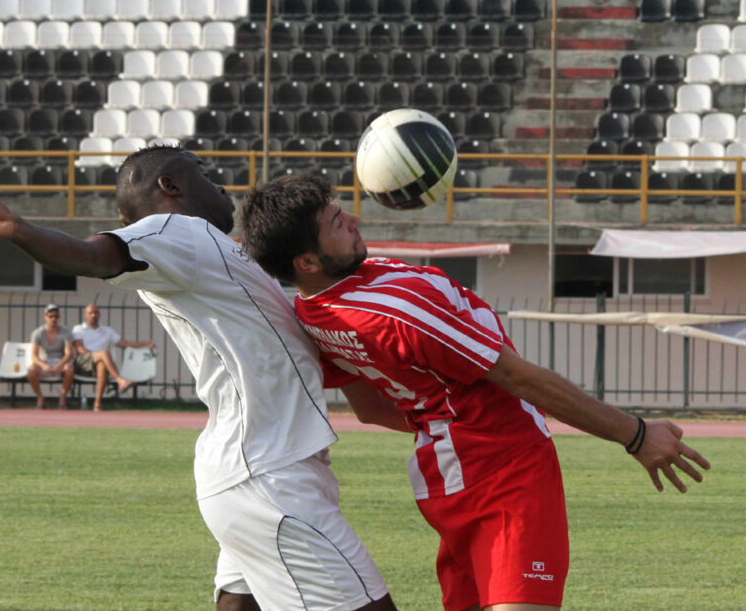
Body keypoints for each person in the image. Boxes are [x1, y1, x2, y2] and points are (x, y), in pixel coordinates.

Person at [0, 145, 396, 611]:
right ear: (170, 187)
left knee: (240, 605)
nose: (220, 186)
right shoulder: (176, 231)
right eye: (205, 174)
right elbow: (96, 256)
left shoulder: (211, 252)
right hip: (268, 476)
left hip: (254, 472)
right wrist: (20, 230)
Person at [240, 173, 712, 611]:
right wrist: (635, 434)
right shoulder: (396, 309)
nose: (355, 221)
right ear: (307, 261)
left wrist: (441, 419)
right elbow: (519, 378)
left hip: (443, 478)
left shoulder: (313, 314)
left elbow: (368, 408)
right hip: (506, 470)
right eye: (337, 223)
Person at [71, 303, 155, 412]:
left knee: (102, 365)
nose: (93, 315)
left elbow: (124, 343)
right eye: (90, 313)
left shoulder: (107, 331)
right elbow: (79, 349)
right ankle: (120, 380)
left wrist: (145, 343)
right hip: (82, 363)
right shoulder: (78, 329)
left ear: (99, 314)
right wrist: (97, 354)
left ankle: (97, 404)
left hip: (99, 364)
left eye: (95, 312)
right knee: (104, 353)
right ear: (86, 315)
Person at [28, 303, 76, 410]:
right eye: (51, 316)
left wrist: (60, 365)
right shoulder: (38, 333)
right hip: (45, 361)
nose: (53, 319)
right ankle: (40, 398)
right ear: (45, 317)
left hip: (60, 361)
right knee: (31, 370)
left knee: (69, 369)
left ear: (59, 317)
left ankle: (63, 398)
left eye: (56, 316)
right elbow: (34, 355)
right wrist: (43, 365)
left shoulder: (65, 332)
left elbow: (69, 353)